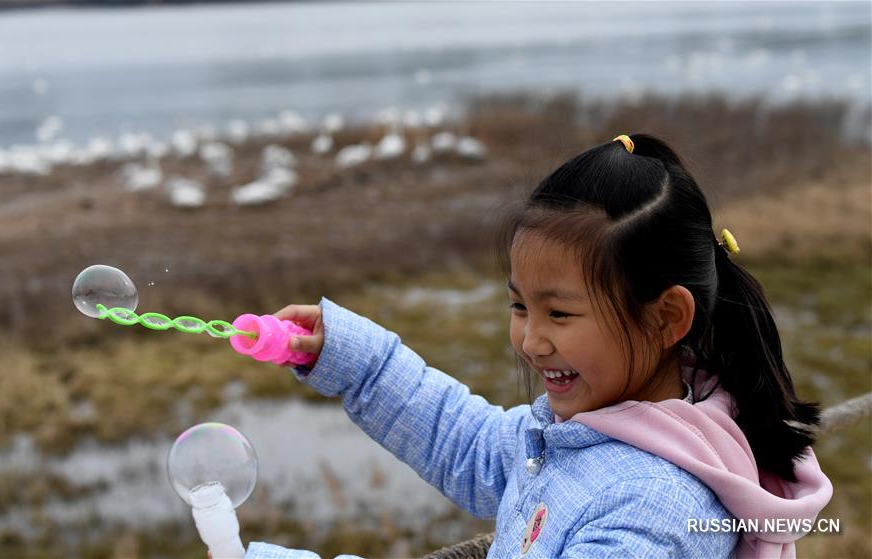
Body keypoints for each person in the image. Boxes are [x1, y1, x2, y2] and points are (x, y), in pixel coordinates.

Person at [238, 134, 832, 559]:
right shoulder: (594, 426)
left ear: (666, 317)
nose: (530, 340)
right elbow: (464, 441)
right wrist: (353, 359)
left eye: (560, 313)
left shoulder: (653, 508)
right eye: (519, 305)